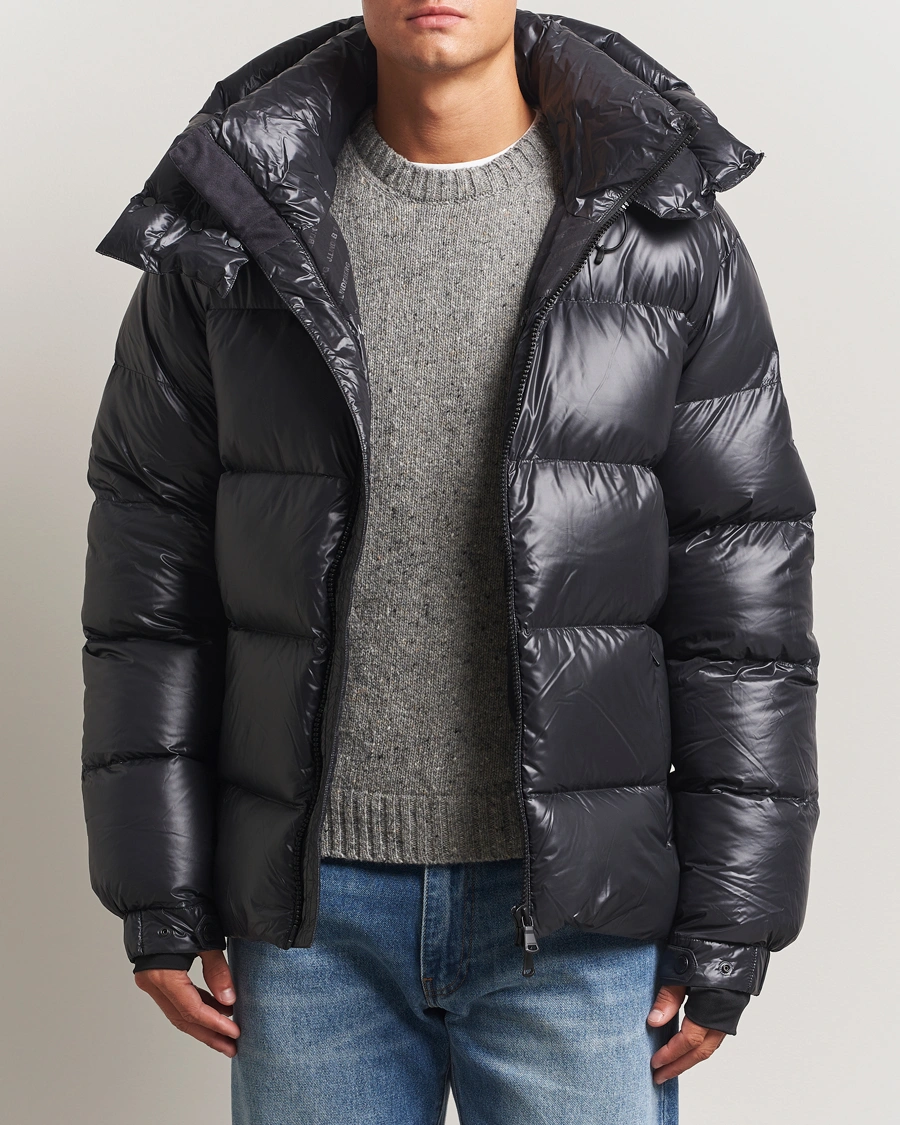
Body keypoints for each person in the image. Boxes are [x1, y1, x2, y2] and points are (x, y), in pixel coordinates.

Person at [80, 5, 819, 1123]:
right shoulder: (231, 224)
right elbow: (150, 586)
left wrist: (732, 919)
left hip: (580, 920)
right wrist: (161, 894)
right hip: (309, 923)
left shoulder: (664, 231)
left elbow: (744, 600)